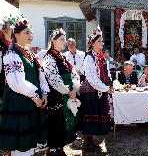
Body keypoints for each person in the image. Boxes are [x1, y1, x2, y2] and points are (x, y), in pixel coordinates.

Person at [0, 16, 49, 155]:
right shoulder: (11, 54)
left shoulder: (31, 55)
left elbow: (41, 77)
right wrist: (35, 97)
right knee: (21, 147)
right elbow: (16, 82)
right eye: (27, 32)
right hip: (19, 103)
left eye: (31, 32)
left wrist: (44, 93)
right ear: (16, 35)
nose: (31, 35)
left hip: (33, 103)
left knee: (31, 145)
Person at [43, 28, 80, 156]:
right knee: (56, 123)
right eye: (62, 40)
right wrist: (69, 90)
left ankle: (60, 148)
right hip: (56, 97)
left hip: (68, 95)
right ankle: (53, 150)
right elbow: (54, 81)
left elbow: (74, 74)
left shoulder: (64, 57)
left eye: (65, 39)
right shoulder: (48, 58)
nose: (65, 42)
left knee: (64, 124)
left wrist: (75, 88)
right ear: (53, 41)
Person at [80, 27, 113, 153]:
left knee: (98, 116)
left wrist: (110, 85)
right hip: (90, 92)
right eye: (99, 41)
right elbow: (92, 78)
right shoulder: (89, 57)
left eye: (102, 41)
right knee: (90, 116)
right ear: (92, 43)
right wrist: (105, 88)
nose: (102, 44)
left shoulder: (102, 57)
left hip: (100, 91)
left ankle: (91, 142)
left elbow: (107, 73)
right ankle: (88, 143)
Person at [0, 16, 15, 104]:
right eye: (9, 26)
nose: (11, 28)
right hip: (3, 74)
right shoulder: (1, 44)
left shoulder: (15, 43)